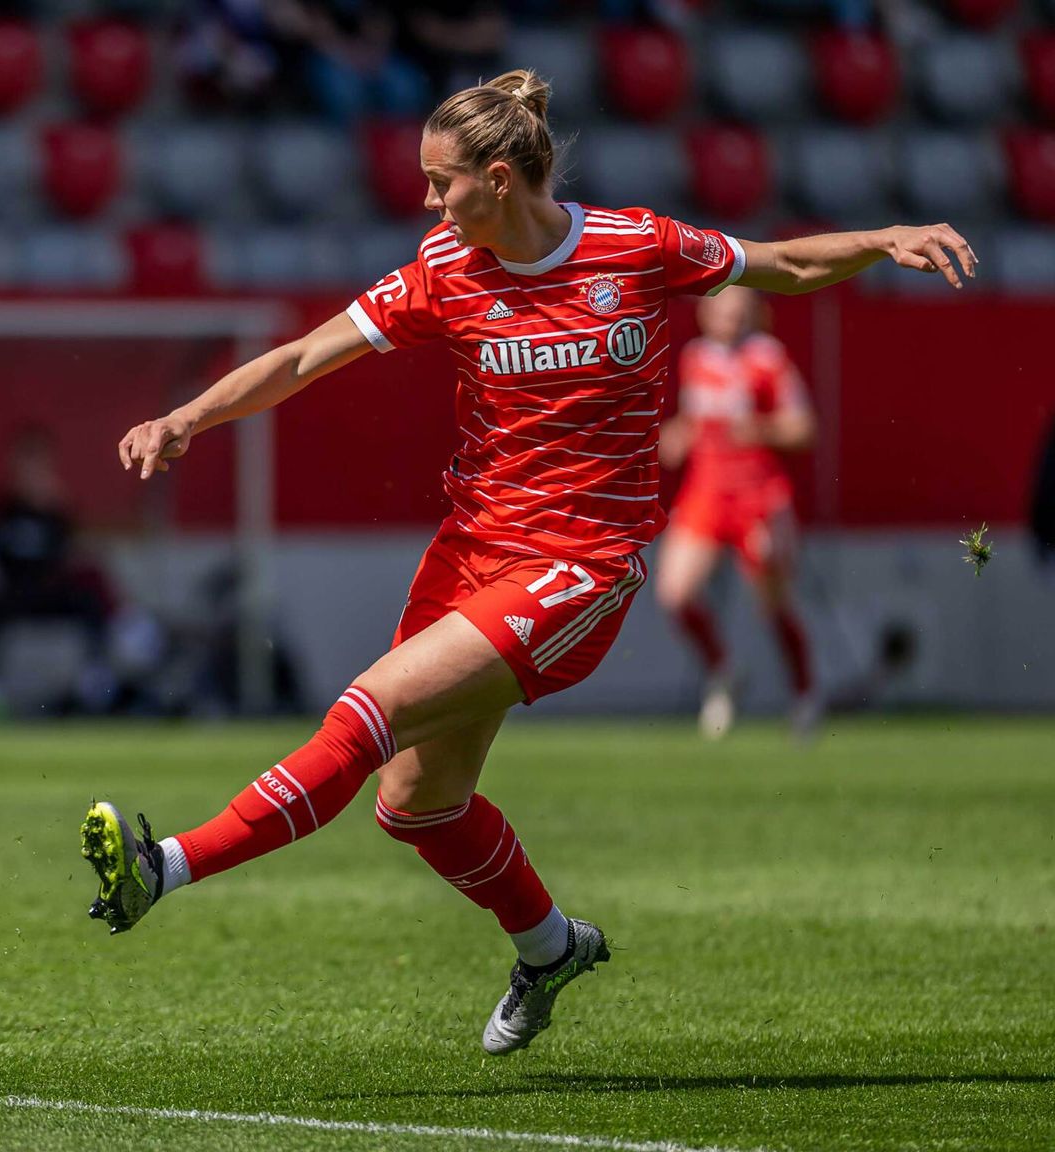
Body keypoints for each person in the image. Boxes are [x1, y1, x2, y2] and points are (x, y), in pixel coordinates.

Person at [83, 69, 973, 1055]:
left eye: (438, 182)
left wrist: (880, 241)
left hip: (578, 565)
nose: (425, 202)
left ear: (498, 179)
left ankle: (159, 868)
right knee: (416, 807)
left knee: (361, 716)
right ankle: (550, 950)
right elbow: (302, 356)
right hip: (468, 553)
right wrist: (184, 418)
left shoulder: (635, 245)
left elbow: (780, 268)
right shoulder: (442, 269)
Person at [655, 287, 819, 739]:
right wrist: (679, 435)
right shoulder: (695, 357)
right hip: (705, 491)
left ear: (753, 316)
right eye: (721, 310)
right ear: (706, 314)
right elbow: (697, 418)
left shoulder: (768, 358)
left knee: (772, 601)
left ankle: (804, 693)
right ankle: (724, 670)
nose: (728, 319)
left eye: (738, 312)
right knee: (675, 594)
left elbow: (803, 427)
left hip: (756, 495)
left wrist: (761, 429)